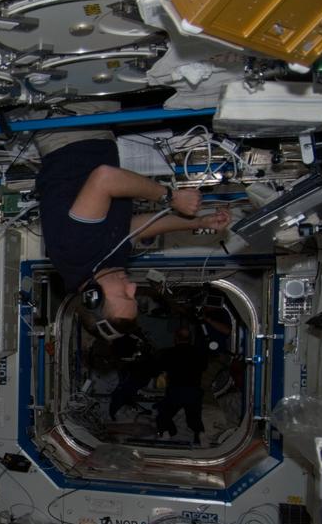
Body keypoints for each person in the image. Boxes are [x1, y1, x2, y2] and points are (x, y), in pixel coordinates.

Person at [35, 103, 232, 333]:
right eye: (133, 296)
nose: (131, 287)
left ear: (93, 296)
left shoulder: (76, 251)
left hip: (68, 132)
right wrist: (197, 223)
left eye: (124, 295)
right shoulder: (102, 267)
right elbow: (136, 229)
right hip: (91, 137)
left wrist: (170, 197)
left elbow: (104, 179)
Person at [155, 324, 212, 444]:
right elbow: (204, 367)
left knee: (163, 414)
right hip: (194, 391)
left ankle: (166, 433)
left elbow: (159, 368)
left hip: (176, 390)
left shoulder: (168, 353)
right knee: (194, 419)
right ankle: (200, 435)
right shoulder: (198, 353)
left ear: (175, 338)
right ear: (190, 339)